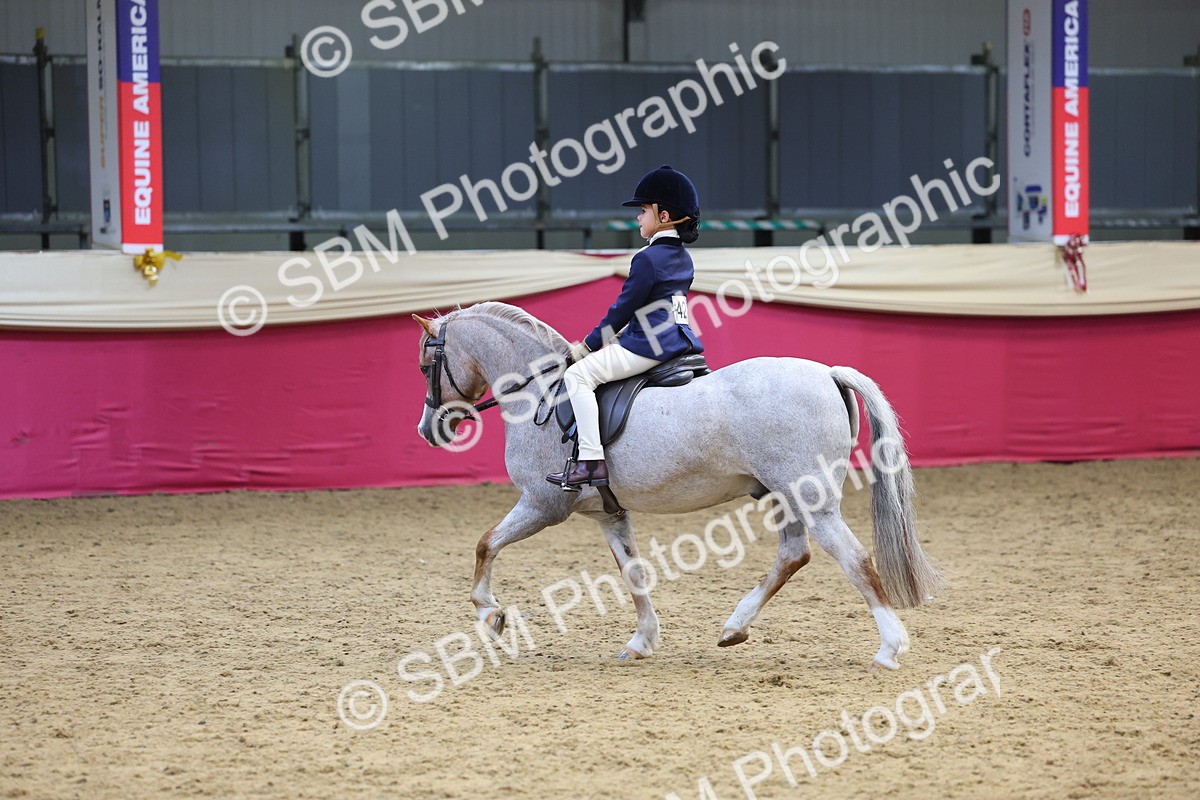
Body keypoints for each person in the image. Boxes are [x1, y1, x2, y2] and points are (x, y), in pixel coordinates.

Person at [546, 164, 705, 489]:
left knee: (577, 376)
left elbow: (623, 308)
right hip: (680, 340)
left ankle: (590, 462)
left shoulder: (646, 258)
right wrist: (628, 331)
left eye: (644, 210)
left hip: (649, 347)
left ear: (664, 216)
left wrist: (589, 344)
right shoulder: (684, 257)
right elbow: (667, 305)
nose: (638, 217)